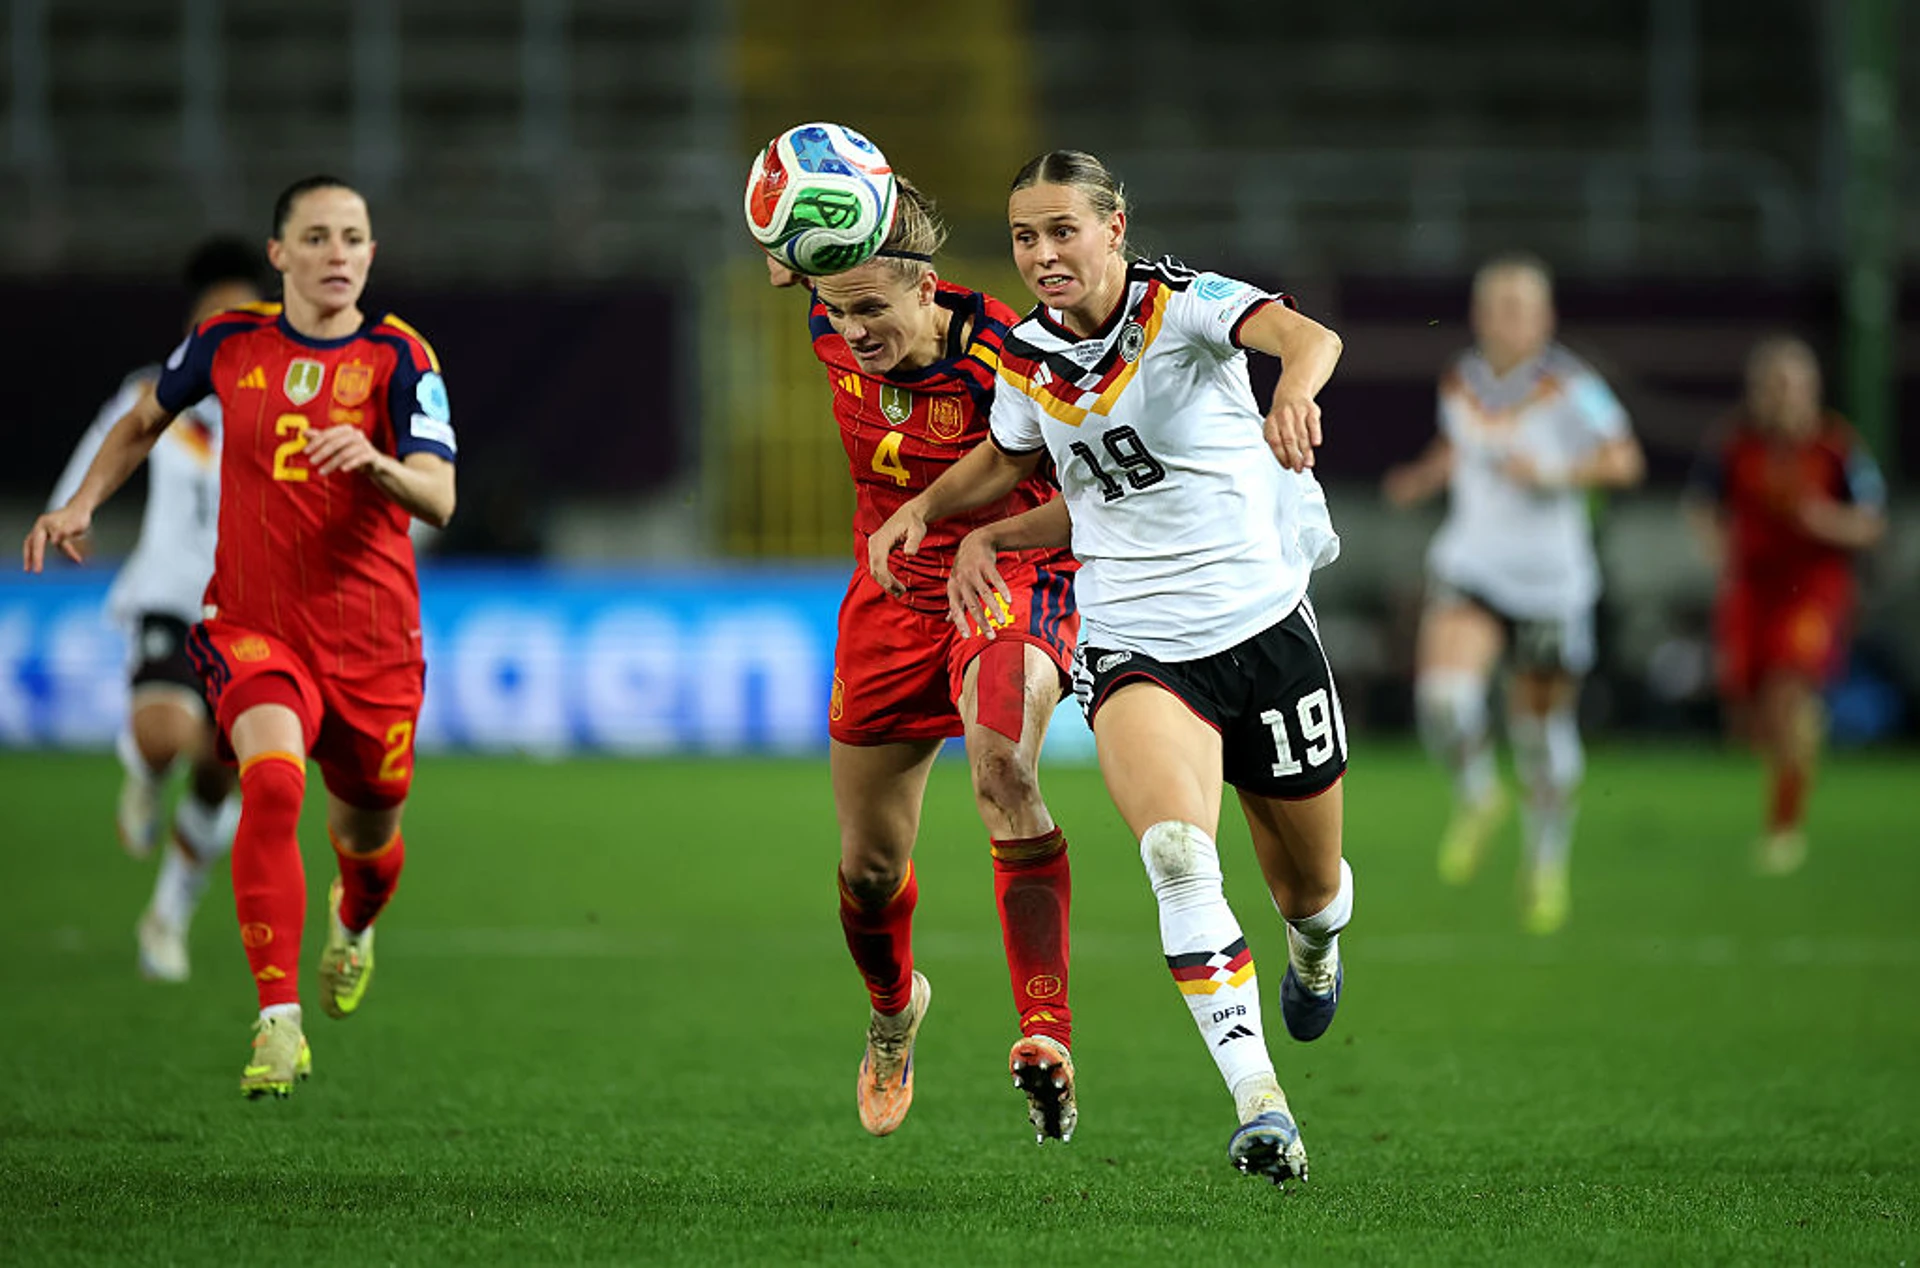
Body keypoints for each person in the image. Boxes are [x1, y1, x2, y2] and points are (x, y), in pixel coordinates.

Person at [868, 150, 1348, 1186]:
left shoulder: (1184, 304)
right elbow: (1015, 461)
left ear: (1114, 228)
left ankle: (1316, 945)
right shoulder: (1027, 355)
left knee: (1309, 889)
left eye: (1063, 232)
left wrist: (1293, 396)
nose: (1043, 255)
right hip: (1136, 641)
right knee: (1177, 853)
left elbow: (1309, 339)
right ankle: (1261, 1102)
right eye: (1026, 237)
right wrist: (945, 516)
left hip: (1262, 627)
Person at [24, 175, 457, 1098]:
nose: (338, 253)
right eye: (318, 237)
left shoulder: (402, 357)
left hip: (375, 643)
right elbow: (144, 419)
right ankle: (277, 1020)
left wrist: (379, 464)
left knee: (369, 840)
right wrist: (81, 502)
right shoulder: (227, 343)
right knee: (267, 783)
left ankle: (356, 920)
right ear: (281, 254)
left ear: (371, 254)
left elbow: (441, 496)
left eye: (353, 237)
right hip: (255, 626)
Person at [764, 175, 1082, 1143]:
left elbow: (1093, 500)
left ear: (927, 289)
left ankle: (1046, 1032)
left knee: (1002, 767)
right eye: (834, 307)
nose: (852, 330)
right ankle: (895, 1009)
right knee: (867, 869)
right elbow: (787, 242)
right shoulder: (828, 319)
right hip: (891, 594)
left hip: (1007, 573)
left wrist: (982, 532)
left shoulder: (1016, 358)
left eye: (872, 308)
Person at [1382, 254, 1643, 934]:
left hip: (1551, 583)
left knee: (1540, 731)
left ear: (1546, 317)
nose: (1506, 318)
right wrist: (1422, 476)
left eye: (1520, 307)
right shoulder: (1461, 379)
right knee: (1443, 697)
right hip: (1474, 564)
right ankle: (1477, 795)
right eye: (1495, 305)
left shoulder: (1572, 386)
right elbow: (1460, 448)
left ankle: (1546, 860)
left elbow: (1625, 459)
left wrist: (1556, 472)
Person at [46, 237, 268, 981]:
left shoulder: (277, 401)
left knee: (220, 770)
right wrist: (72, 508)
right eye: (215, 313)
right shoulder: (156, 387)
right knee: (169, 738)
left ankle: (167, 918)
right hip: (171, 598)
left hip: (251, 611)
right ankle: (142, 769)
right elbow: (114, 444)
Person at [1683, 335, 1886, 875]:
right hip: (1750, 587)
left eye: (1791, 385)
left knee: (1789, 691)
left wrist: (1826, 521)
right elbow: (1702, 503)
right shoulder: (1734, 444)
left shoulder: (1838, 448)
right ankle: (1793, 753)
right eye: (1771, 385)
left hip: (1812, 587)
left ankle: (1784, 830)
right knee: (1750, 718)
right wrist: (1714, 542)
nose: (1781, 396)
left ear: (1812, 390)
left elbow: (1871, 521)